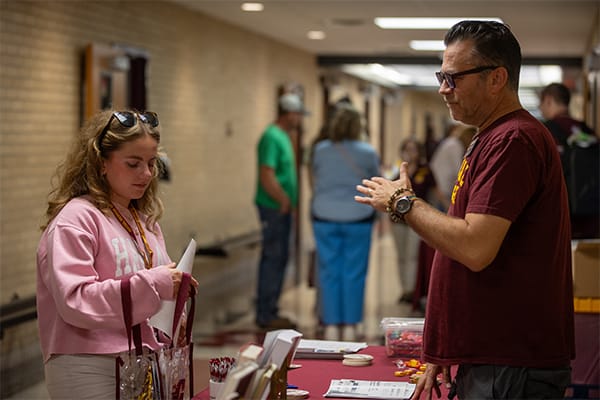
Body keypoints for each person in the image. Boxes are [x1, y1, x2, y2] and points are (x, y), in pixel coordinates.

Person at [356, 20, 574, 399]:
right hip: (491, 355)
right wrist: (449, 342)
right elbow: (460, 235)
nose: (444, 88)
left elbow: (475, 247)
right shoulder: (491, 137)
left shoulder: (514, 140)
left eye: (454, 78)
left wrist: (402, 203)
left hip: (510, 363)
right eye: (443, 75)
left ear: (496, 79)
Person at [36, 110, 198, 399]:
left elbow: (153, 289)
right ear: (101, 163)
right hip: (87, 365)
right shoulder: (75, 219)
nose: (146, 174)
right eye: (133, 163)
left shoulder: (143, 221)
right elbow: (75, 300)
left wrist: (175, 298)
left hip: (138, 361)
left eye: (151, 163)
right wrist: (157, 283)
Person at [310, 104, 380, 341]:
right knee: (354, 271)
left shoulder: (320, 150)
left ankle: (330, 324)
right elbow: (374, 184)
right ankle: (351, 324)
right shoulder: (368, 152)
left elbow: (315, 179)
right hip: (358, 217)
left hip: (324, 216)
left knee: (328, 271)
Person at [254, 93, 306, 330]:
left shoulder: (284, 136)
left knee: (280, 258)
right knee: (273, 259)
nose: (299, 120)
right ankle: (265, 314)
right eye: (298, 115)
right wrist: (283, 200)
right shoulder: (271, 137)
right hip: (273, 208)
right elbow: (267, 174)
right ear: (289, 113)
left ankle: (271, 308)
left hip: (281, 208)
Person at [389, 138, 447, 306]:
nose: (410, 153)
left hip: (416, 220)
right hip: (398, 220)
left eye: (413, 149)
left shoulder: (425, 170)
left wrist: (450, 209)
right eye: (407, 149)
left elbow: (437, 192)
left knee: (412, 256)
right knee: (401, 256)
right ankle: (404, 288)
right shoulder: (397, 169)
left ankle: (412, 290)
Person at [539, 82, 599, 239]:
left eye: (542, 104)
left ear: (548, 100)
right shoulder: (586, 130)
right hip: (593, 214)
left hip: (562, 215)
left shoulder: (546, 131)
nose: (541, 109)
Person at [429, 123, 477, 208]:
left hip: (441, 186)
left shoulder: (452, 143)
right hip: (442, 188)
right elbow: (459, 170)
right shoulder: (455, 145)